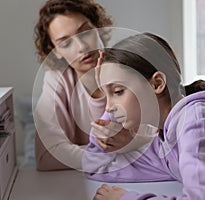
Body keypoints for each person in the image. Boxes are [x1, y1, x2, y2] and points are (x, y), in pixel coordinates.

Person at [82, 33, 205, 199]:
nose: (109, 106)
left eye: (118, 91)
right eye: (107, 94)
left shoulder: (199, 129)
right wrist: (108, 118)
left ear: (157, 84)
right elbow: (97, 165)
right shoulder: (166, 139)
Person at [33, 0, 133, 171]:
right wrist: (118, 154)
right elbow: (46, 157)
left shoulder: (131, 69)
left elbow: (157, 144)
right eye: (65, 43)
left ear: (98, 28)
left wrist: (79, 154)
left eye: (85, 32)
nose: (82, 47)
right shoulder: (57, 79)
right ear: (56, 51)